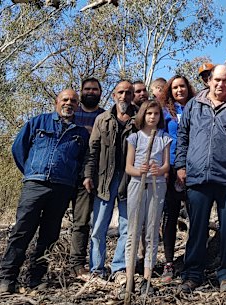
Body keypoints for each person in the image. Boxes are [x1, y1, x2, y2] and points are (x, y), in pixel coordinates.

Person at [0, 89, 89, 294]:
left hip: (62, 188)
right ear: (57, 102)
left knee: (50, 234)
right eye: (65, 99)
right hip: (35, 184)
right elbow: (18, 149)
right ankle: (7, 278)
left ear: (77, 105)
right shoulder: (38, 122)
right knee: (21, 231)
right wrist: (31, 171)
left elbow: (82, 160)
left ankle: (35, 278)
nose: (69, 103)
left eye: (73, 101)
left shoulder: (80, 133)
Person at [175, 65, 226, 293]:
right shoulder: (194, 105)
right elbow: (183, 136)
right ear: (209, 81)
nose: (221, 84)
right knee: (197, 229)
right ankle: (192, 274)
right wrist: (181, 165)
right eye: (217, 80)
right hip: (197, 176)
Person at [83, 81, 137, 281]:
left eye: (128, 92)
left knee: (126, 227)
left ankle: (119, 269)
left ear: (132, 95)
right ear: (114, 95)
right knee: (98, 227)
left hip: (129, 180)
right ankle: (96, 269)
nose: (124, 96)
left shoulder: (139, 118)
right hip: (104, 180)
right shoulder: (102, 119)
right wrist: (88, 175)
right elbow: (93, 149)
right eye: (120, 92)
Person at [124, 100, 171, 294]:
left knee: (152, 231)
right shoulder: (134, 137)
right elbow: (128, 167)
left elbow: (167, 166)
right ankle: (129, 280)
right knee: (134, 230)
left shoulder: (164, 138)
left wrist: (158, 170)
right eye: (149, 113)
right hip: (137, 185)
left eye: (156, 114)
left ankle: (147, 277)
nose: (153, 117)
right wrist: (138, 170)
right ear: (143, 115)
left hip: (157, 186)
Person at [160, 75, 196, 283]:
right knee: (170, 215)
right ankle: (169, 262)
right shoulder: (166, 112)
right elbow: (160, 139)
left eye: (182, 86)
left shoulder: (196, 107)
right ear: (170, 91)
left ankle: (193, 259)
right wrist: (165, 167)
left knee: (196, 215)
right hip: (172, 166)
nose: (179, 90)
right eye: (175, 87)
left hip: (195, 166)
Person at [69, 78, 106, 279]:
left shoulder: (105, 116)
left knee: (82, 222)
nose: (90, 92)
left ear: (100, 92)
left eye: (95, 89)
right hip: (65, 174)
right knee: (49, 219)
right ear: (81, 91)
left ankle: (77, 263)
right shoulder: (71, 113)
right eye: (87, 89)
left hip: (89, 176)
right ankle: (40, 263)